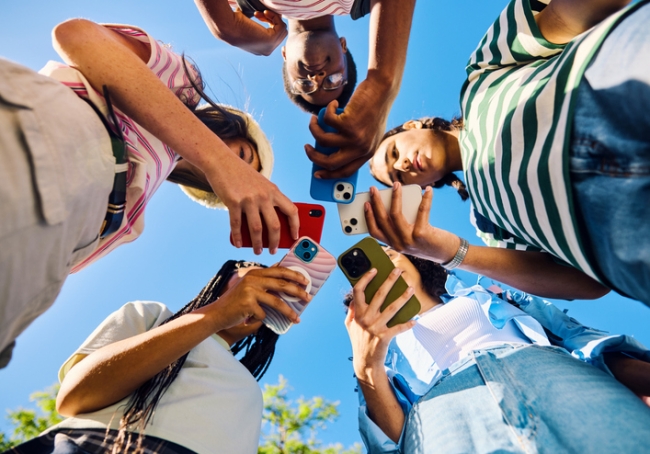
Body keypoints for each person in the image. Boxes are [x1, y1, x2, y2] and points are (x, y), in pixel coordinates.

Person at [0, 18, 295, 369]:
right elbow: (74, 36)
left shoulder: (137, 213)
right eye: (244, 157)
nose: (239, 174)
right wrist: (219, 161)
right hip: (33, 146)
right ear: (232, 128)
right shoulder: (185, 88)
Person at [367, 0, 650, 306]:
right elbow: (586, 285)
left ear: (412, 125)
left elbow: (568, 15)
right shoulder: (488, 223)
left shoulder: (481, 76)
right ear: (418, 190)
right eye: (397, 176)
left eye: (394, 152)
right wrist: (449, 251)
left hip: (627, 92)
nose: (404, 164)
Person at [344, 249, 650, 453]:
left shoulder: (488, 293)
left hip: (551, 375)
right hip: (447, 420)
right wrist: (367, 368)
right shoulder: (377, 345)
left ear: (416, 261)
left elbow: (574, 336)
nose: (382, 267)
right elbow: (393, 443)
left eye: (389, 255)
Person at [4, 260, 310, 454]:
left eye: (274, 294)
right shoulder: (153, 315)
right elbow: (75, 397)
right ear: (222, 281)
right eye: (254, 279)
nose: (264, 292)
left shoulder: (250, 390)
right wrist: (216, 315)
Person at [194, 0, 415, 178]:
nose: (317, 79)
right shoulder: (369, 3)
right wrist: (382, 81)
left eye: (305, 86)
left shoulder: (236, 7)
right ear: (344, 47)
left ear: (284, 56)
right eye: (334, 80)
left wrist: (224, 25)